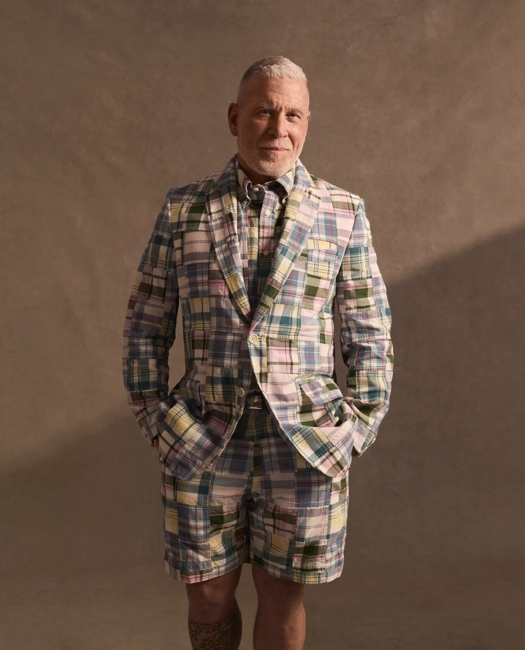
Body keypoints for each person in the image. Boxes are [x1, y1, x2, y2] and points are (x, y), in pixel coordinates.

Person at [122, 55, 394, 650]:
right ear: (234, 117)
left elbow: (369, 331)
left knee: (282, 593)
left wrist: (357, 427)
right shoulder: (184, 209)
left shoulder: (342, 212)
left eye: (293, 114)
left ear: (307, 123)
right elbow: (145, 325)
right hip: (201, 434)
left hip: (306, 442)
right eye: (264, 111)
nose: (278, 128)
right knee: (207, 594)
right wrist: (156, 418)